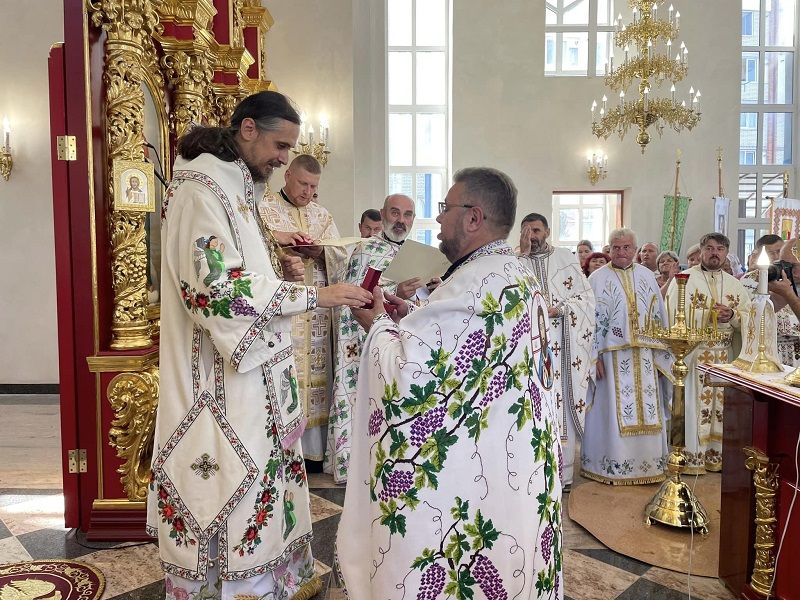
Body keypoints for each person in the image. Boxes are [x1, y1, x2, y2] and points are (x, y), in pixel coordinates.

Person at [147, 91, 373, 598]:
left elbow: (243, 268)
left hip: (255, 375)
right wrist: (313, 293)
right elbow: (215, 290)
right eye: (280, 145)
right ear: (247, 129)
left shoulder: (237, 187)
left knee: (263, 486)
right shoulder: (200, 192)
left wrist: (279, 267)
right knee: (228, 487)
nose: (284, 158)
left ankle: (269, 583)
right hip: (219, 381)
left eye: (290, 150)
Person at [338, 167, 563, 599]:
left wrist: (378, 325)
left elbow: (413, 379)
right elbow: (460, 358)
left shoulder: (476, 282)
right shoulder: (509, 273)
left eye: (445, 209)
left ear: (473, 217)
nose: (437, 220)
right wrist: (408, 323)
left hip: (480, 474)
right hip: (511, 464)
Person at [325, 194, 424, 483]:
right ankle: (353, 463)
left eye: (407, 215)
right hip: (362, 339)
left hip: (400, 340)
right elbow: (355, 293)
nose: (401, 220)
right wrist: (396, 289)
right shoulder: (366, 248)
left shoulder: (415, 253)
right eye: (395, 213)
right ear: (383, 215)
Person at [259, 154, 345, 466]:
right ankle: (280, 450)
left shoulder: (322, 216)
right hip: (285, 313)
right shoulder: (264, 209)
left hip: (318, 314)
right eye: (303, 184)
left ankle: (311, 456)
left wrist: (321, 252)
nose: (308, 192)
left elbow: (341, 258)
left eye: (313, 186)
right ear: (287, 176)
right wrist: (282, 250)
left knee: (316, 378)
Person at [581, 228, 673, 485]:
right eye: (616, 247)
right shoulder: (597, 279)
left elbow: (659, 317)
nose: (621, 252)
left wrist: (659, 353)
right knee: (609, 411)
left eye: (626, 248)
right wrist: (593, 357)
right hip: (610, 359)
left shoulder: (647, 276)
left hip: (644, 357)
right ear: (610, 249)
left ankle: (648, 465)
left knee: (649, 410)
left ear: (635, 249)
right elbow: (589, 324)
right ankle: (609, 465)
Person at [518, 213, 595, 489]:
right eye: (527, 231)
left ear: (547, 231)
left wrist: (560, 309)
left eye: (536, 230)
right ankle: (533, 474)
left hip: (563, 348)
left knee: (560, 407)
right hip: (528, 350)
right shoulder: (515, 261)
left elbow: (586, 299)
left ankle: (562, 476)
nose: (532, 236)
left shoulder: (564, 258)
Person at [666, 233, 750, 473]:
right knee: (694, 407)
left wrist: (732, 316)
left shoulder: (736, 284)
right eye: (710, 248)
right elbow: (673, 315)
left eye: (720, 249)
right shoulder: (684, 280)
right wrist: (710, 316)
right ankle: (693, 458)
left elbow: (750, 320)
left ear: (726, 253)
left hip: (726, 357)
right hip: (695, 357)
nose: (715, 253)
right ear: (701, 251)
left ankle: (718, 457)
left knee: (722, 410)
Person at [770, 239, 800, 366]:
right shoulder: (785, 284)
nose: (787, 270)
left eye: (792, 265)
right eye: (783, 264)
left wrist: (788, 294)